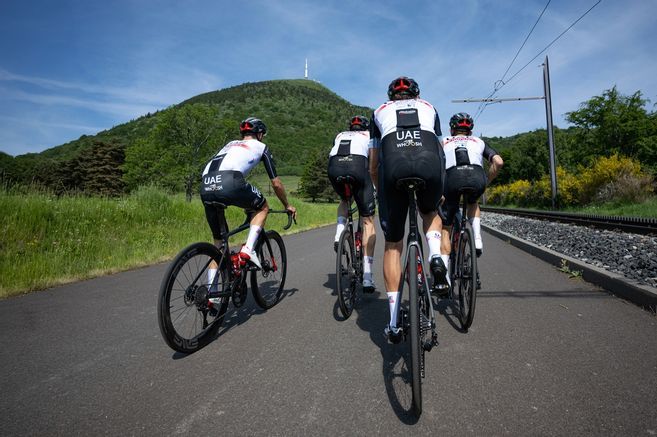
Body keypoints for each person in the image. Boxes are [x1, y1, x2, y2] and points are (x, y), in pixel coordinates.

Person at [369, 76, 447, 343]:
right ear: (417, 94)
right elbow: (440, 149)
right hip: (429, 165)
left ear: (391, 96)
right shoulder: (431, 107)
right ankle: (436, 256)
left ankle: (393, 322)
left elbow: (373, 161)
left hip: (393, 169)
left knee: (393, 244)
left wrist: (380, 188)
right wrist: (441, 187)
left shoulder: (378, 111)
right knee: (430, 213)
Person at [200, 117, 297, 273]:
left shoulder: (229, 144)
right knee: (263, 207)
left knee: (218, 247)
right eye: (262, 134)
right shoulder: (261, 146)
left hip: (205, 185)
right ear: (259, 133)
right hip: (229, 181)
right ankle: (249, 250)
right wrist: (287, 205)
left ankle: (213, 295)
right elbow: (276, 183)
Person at [439, 112, 503, 275]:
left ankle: (444, 275)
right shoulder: (479, 141)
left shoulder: (444, 141)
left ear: (452, 129)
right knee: (473, 202)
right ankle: (477, 238)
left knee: (445, 227)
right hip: (476, 178)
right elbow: (499, 162)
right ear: (470, 130)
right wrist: (486, 182)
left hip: (452, 179)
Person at [328, 115, 377, 292]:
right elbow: (374, 163)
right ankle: (367, 277)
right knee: (368, 220)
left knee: (344, 199)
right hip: (358, 166)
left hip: (334, 166)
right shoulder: (369, 136)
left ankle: (339, 231)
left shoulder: (340, 135)